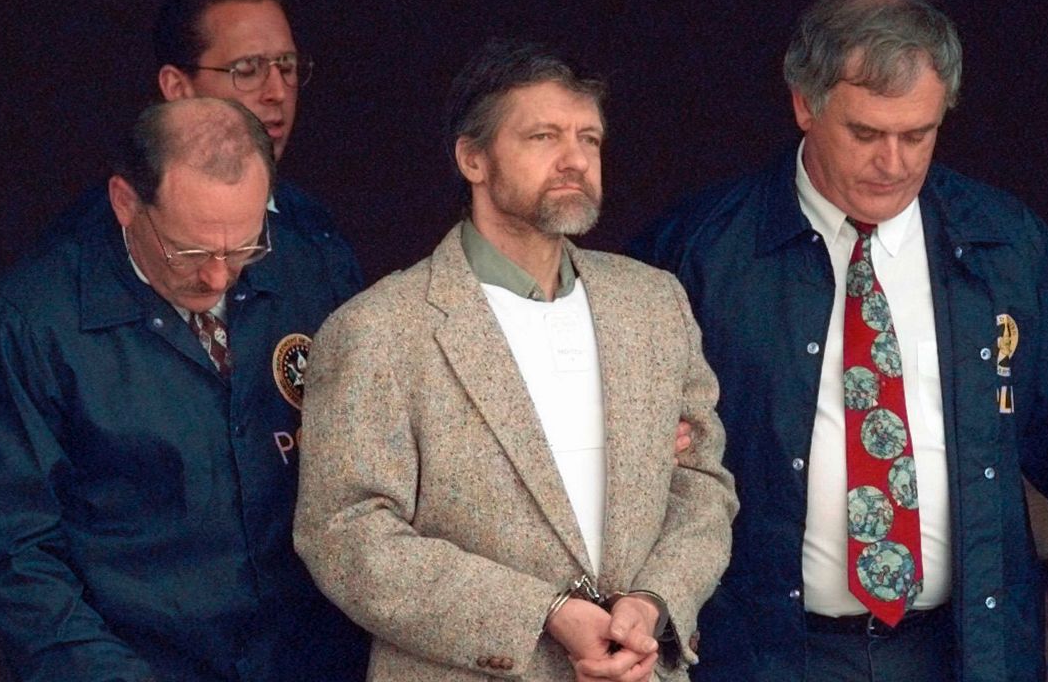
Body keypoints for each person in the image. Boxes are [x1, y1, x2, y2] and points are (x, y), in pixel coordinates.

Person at [632, 0, 1048, 682]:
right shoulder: (698, 254)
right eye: (865, 134)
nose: (893, 163)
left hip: (966, 650)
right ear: (805, 104)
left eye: (916, 135)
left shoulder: (1005, 246)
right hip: (763, 652)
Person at [293, 39, 739, 682]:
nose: (575, 159)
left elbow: (703, 483)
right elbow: (345, 533)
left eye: (589, 138)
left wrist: (654, 603)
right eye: (543, 137)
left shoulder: (655, 303)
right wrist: (543, 613)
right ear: (473, 158)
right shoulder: (380, 328)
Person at [0, 98, 368, 681]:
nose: (218, 276)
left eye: (245, 247)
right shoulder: (29, 324)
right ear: (125, 202)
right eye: (190, 251)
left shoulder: (314, 271)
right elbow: (9, 552)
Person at [44, 0, 363, 298]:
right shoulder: (87, 244)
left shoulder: (313, 226)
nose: (277, 92)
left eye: (287, 65)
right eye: (248, 69)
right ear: (177, 87)